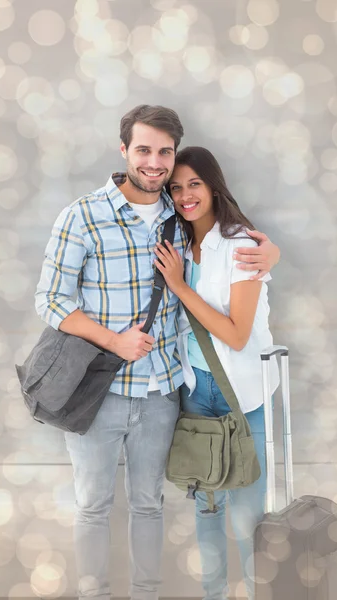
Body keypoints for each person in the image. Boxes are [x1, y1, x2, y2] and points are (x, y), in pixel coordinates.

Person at [34, 105, 280, 600]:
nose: (154, 162)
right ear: (123, 150)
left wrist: (271, 254)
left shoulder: (178, 214)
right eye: (143, 149)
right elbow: (50, 300)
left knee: (150, 505)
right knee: (92, 505)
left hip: (167, 393)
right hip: (99, 391)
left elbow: (229, 244)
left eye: (164, 152)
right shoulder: (83, 215)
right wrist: (113, 339)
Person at [153, 146, 280, 600]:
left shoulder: (242, 246)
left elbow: (236, 334)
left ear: (213, 186)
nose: (186, 195)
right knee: (207, 510)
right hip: (194, 392)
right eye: (177, 187)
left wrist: (180, 286)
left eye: (195, 184)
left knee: (248, 516)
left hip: (239, 394)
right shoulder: (176, 244)